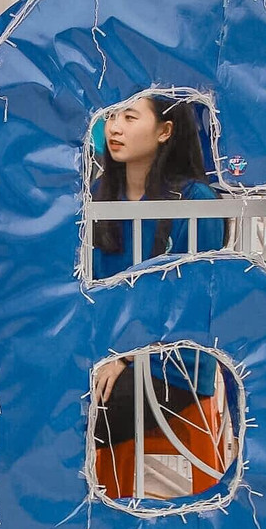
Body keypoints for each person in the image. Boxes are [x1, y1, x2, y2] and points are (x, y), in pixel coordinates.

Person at [88, 95, 227, 496]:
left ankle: (105, 513)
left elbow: (193, 299)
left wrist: (127, 355)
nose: (115, 127)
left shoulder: (195, 202)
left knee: (89, 410)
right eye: (112, 116)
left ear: (165, 131)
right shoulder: (97, 196)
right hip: (106, 352)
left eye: (130, 117)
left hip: (173, 362)